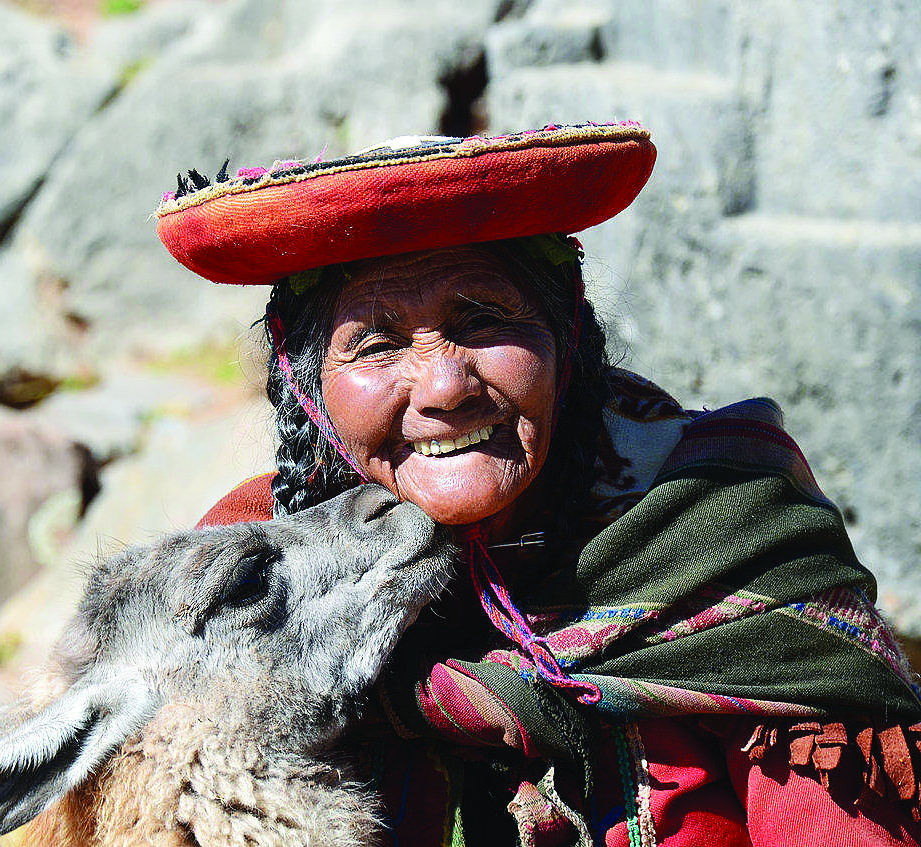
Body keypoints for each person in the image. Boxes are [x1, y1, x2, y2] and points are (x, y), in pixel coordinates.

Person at [156, 123, 921, 846]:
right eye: (377, 343)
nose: (444, 386)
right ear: (308, 388)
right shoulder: (238, 591)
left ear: (567, 336)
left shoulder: (727, 534)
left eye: (484, 318)